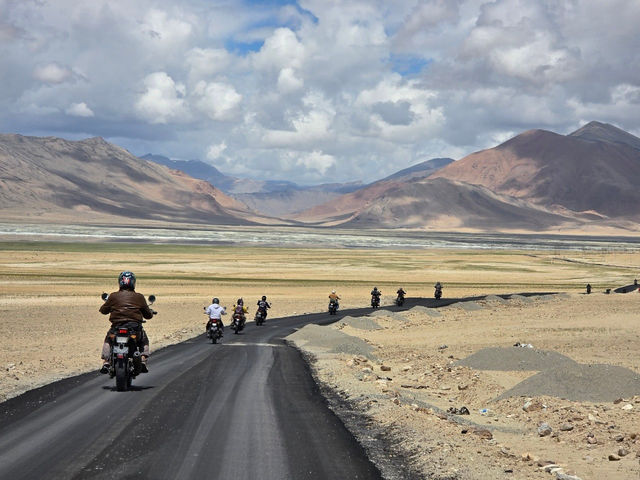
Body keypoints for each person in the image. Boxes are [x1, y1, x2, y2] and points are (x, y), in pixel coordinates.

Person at [99, 271, 154, 374]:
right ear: (133, 282)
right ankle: (142, 360)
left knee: (108, 340)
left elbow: (103, 310)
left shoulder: (113, 296)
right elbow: (148, 315)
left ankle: (106, 362)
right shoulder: (139, 297)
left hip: (117, 327)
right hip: (134, 328)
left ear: (120, 282)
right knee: (144, 340)